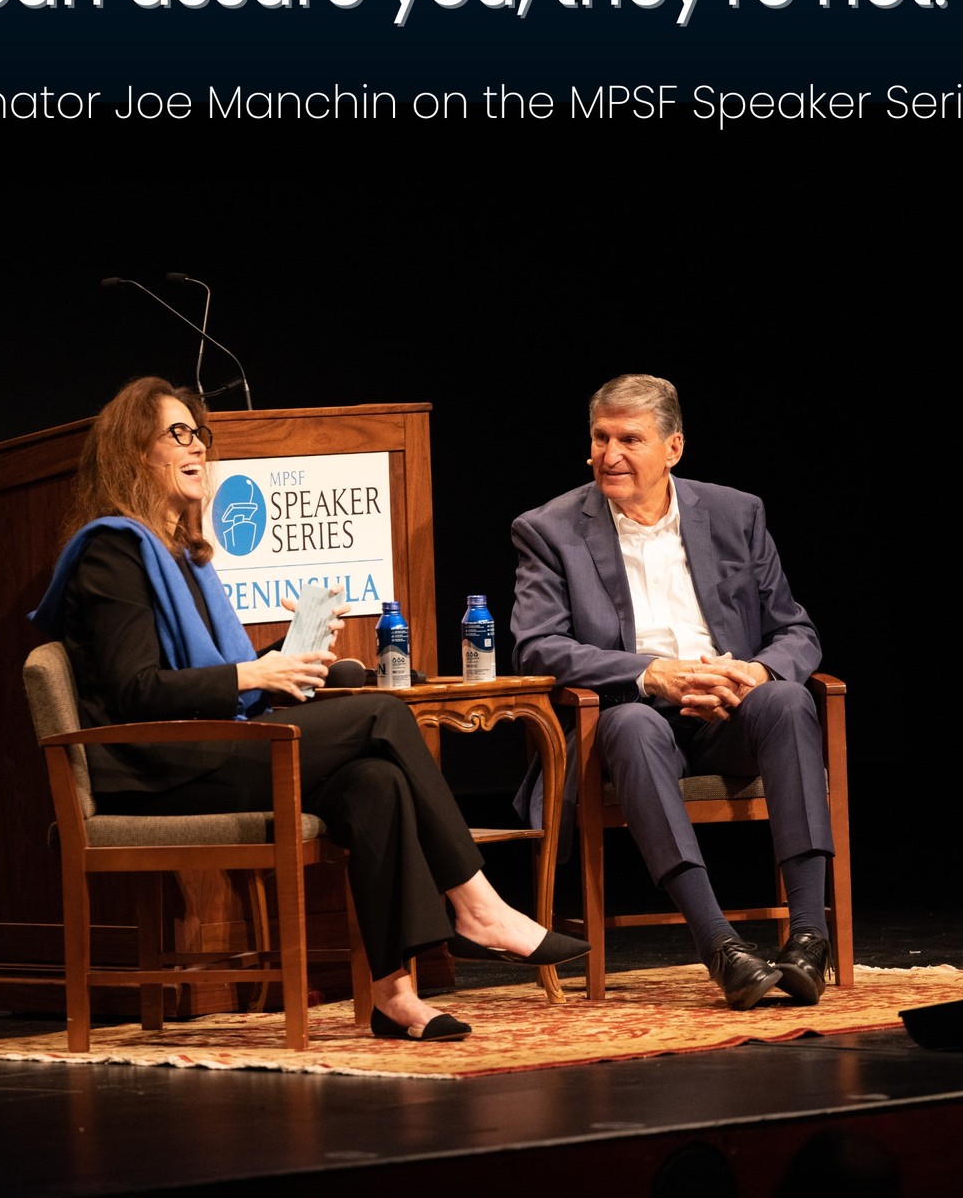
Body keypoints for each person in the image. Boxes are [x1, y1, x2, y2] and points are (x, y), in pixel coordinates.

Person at [31, 376, 588, 1043]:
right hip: (155, 766)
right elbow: (134, 693)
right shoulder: (112, 553)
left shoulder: (184, 557)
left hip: (206, 747)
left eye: (198, 432)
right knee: (383, 716)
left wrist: (286, 660)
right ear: (129, 451)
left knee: (374, 782)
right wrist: (252, 672)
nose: (196, 446)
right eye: (176, 433)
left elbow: (208, 675)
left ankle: (394, 995)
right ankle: (479, 903)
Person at [510, 374, 834, 1010]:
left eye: (630, 439)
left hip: (729, 714)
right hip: (635, 718)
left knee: (791, 699)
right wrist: (648, 671)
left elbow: (795, 629)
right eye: (601, 438)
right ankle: (720, 945)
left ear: (673, 448)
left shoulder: (737, 513)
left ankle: (809, 939)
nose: (610, 455)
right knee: (631, 725)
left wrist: (755, 674)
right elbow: (538, 646)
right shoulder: (547, 530)